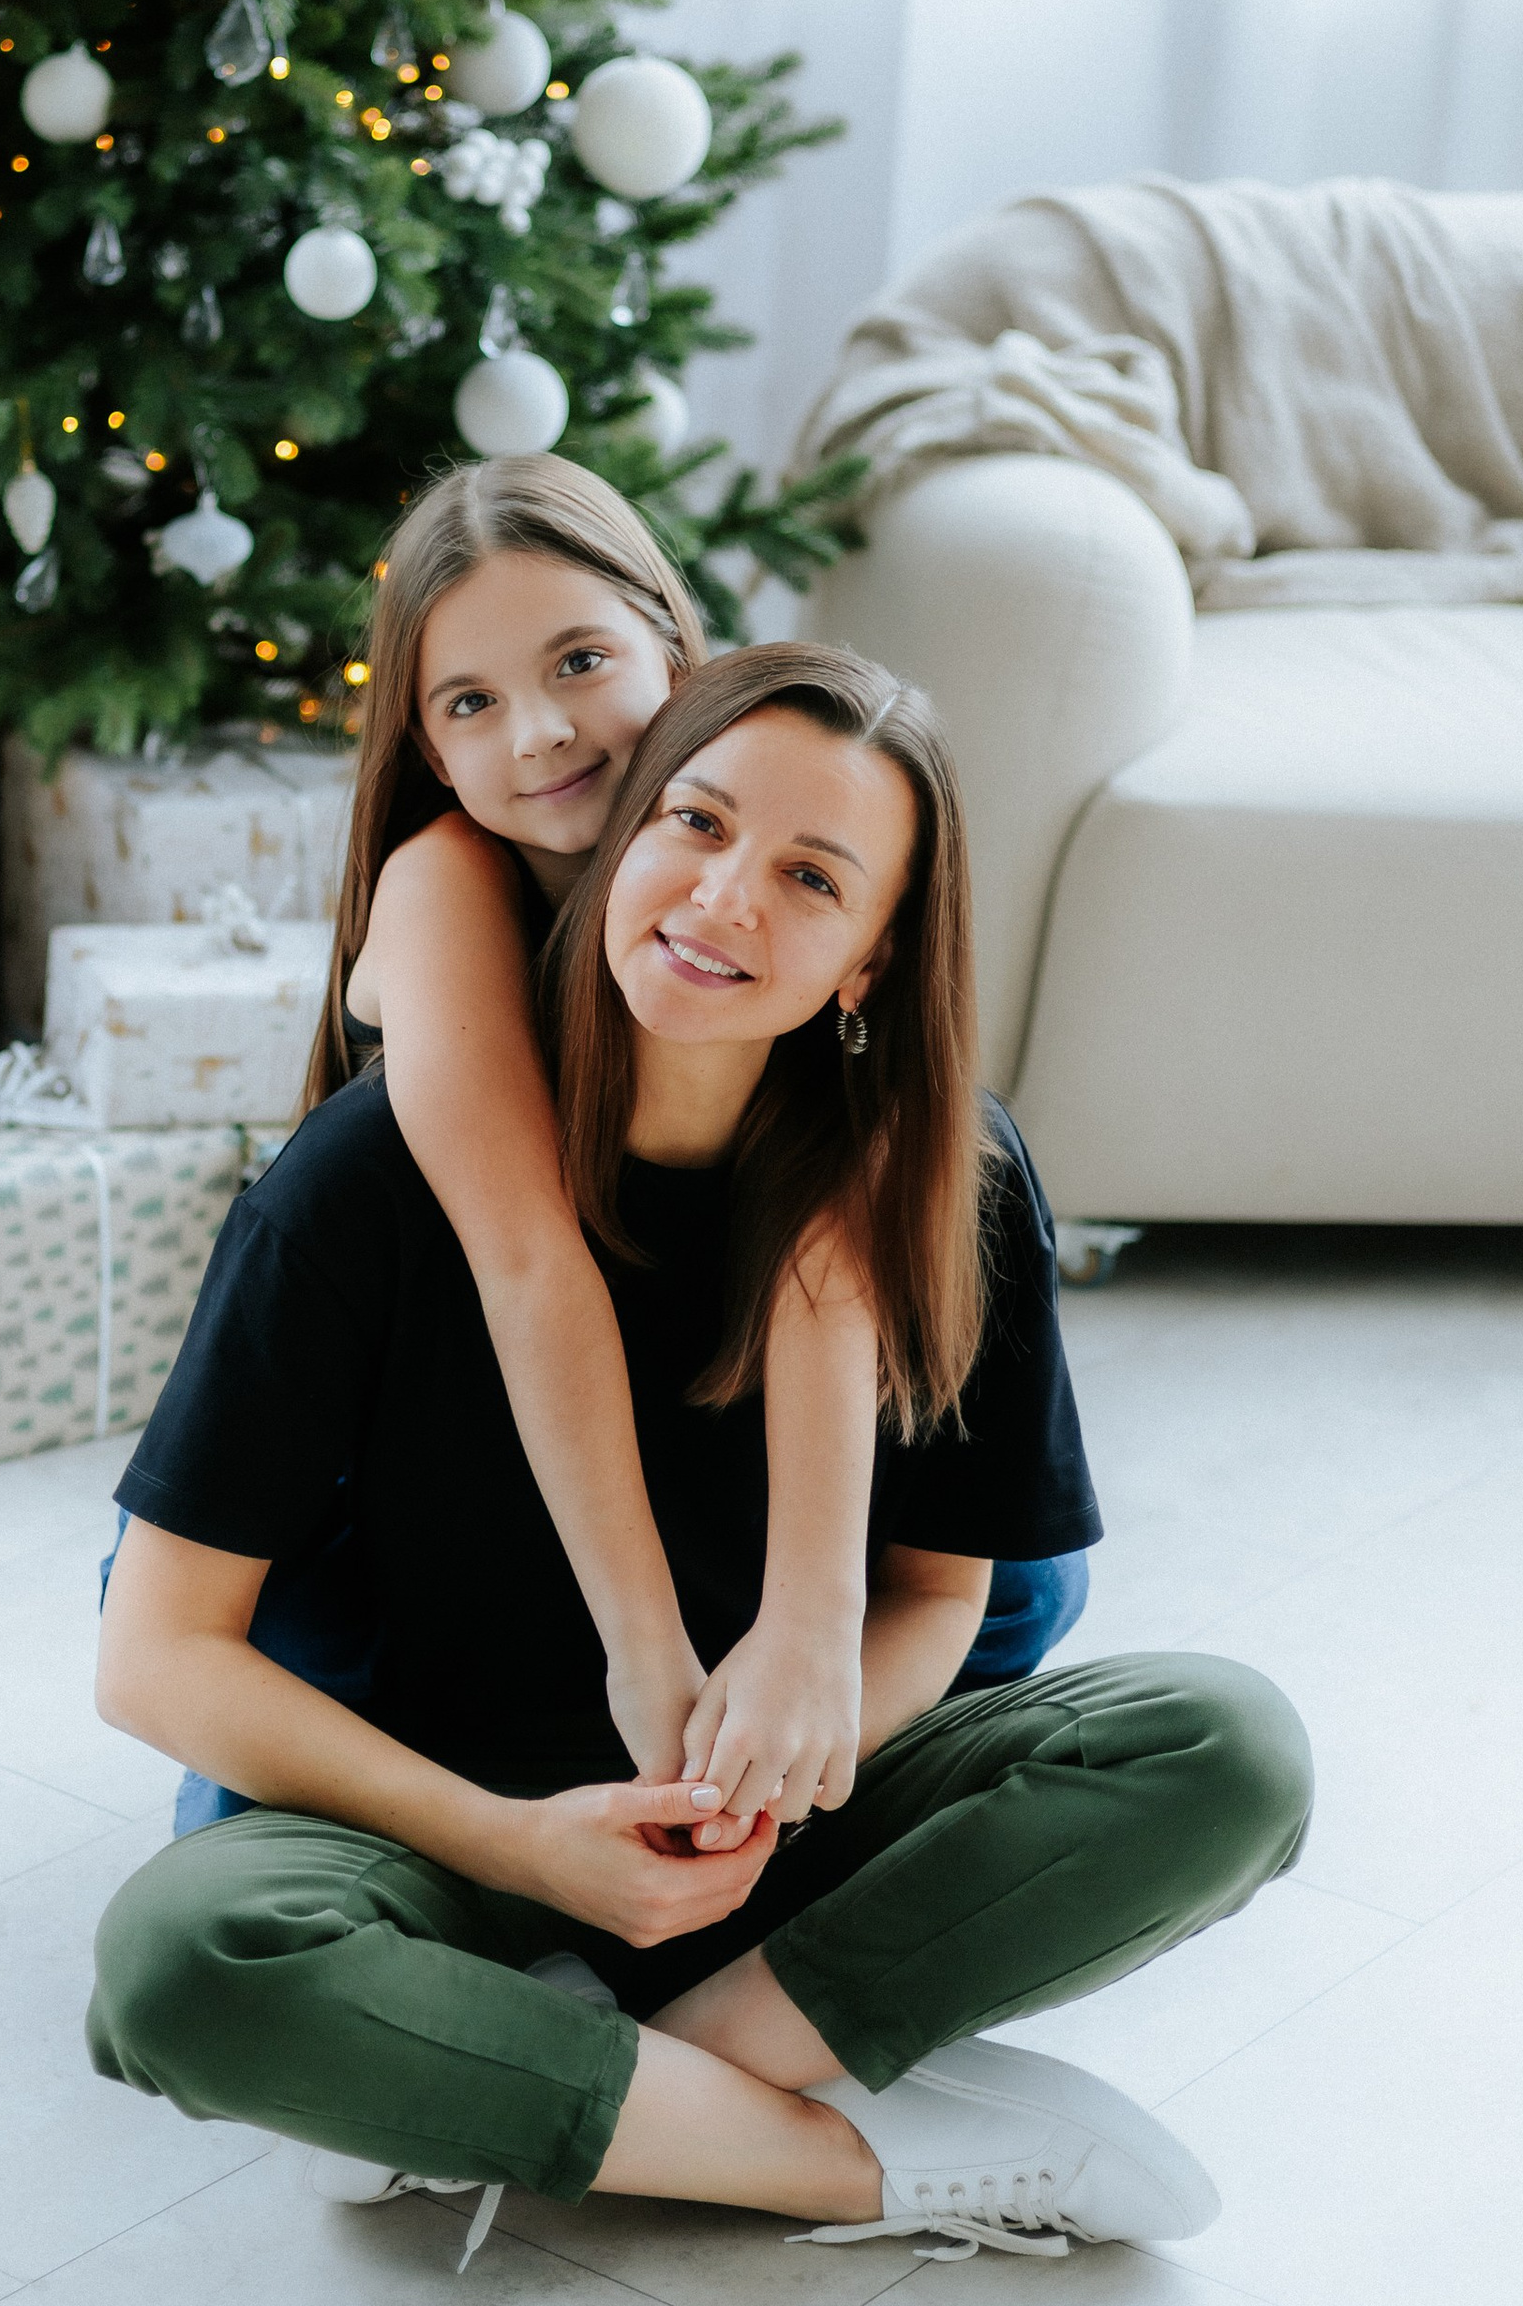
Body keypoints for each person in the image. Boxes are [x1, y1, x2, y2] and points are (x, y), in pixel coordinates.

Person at [88, 645, 1312, 2262]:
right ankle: (856, 2160)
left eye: (813, 877)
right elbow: (155, 1657)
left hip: (766, 1848)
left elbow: (944, 1593)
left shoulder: (950, 1184)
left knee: (1230, 1752)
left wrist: (767, 1784)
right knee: (188, 1961)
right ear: (623, 837)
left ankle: (539, 2079)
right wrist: (521, 1844)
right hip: (452, 1839)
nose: (725, 898)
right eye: (698, 822)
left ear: (872, 960)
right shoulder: (376, 1175)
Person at [193, 456, 1079, 1847]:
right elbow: (532, 1266)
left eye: (581, 662)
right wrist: (650, 1662)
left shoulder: (790, 817)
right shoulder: (447, 892)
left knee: (1019, 1577)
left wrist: (817, 1624)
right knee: (329, 1733)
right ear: (427, 749)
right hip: (405, 1463)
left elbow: (839, 1230)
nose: (541, 732)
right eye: (470, 702)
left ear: (678, 650)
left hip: (677, 1411)